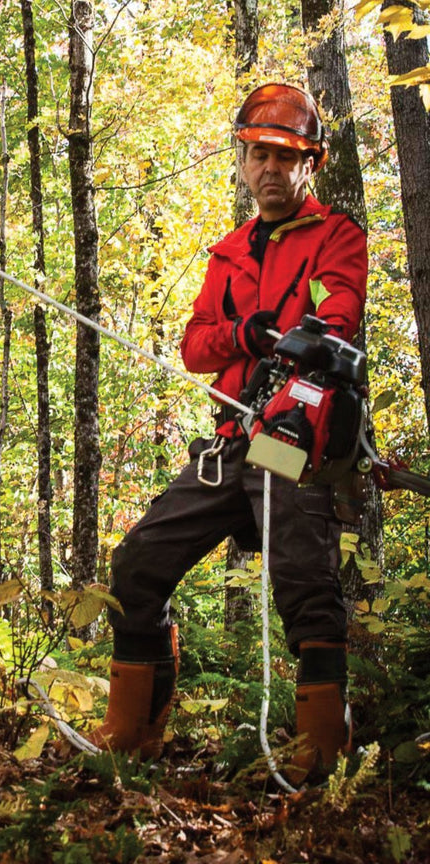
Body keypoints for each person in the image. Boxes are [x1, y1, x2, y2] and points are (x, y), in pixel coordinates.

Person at [88, 83, 368, 783]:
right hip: (230, 439)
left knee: (305, 586)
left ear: (310, 164)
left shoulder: (335, 237)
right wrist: (245, 333)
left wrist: (299, 339)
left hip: (291, 439)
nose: (269, 168)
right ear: (242, 162)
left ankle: (321, 758)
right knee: (139, 564)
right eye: (258, 155)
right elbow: (194, 347)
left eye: (285, 156)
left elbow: (337, 315)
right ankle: (131, 735)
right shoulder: (229, 253)